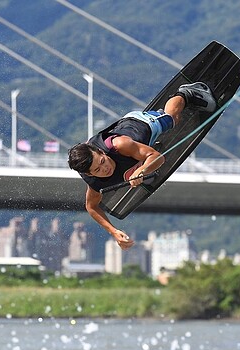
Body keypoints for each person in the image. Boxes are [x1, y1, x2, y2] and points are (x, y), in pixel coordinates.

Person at [67, 82, 216, 250]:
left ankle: (184, 93)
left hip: (140, 126)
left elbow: (158, 158)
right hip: (133, 148)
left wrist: (142, 170)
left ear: (102, 153)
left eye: (102, 161)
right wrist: (114, 232)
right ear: (90, 174)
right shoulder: (94, 181)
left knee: (173, 120)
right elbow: (91, 207)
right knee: (140, 157)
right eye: (97, 170)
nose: (105, 168)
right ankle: (140, 156)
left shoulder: (120, 144)